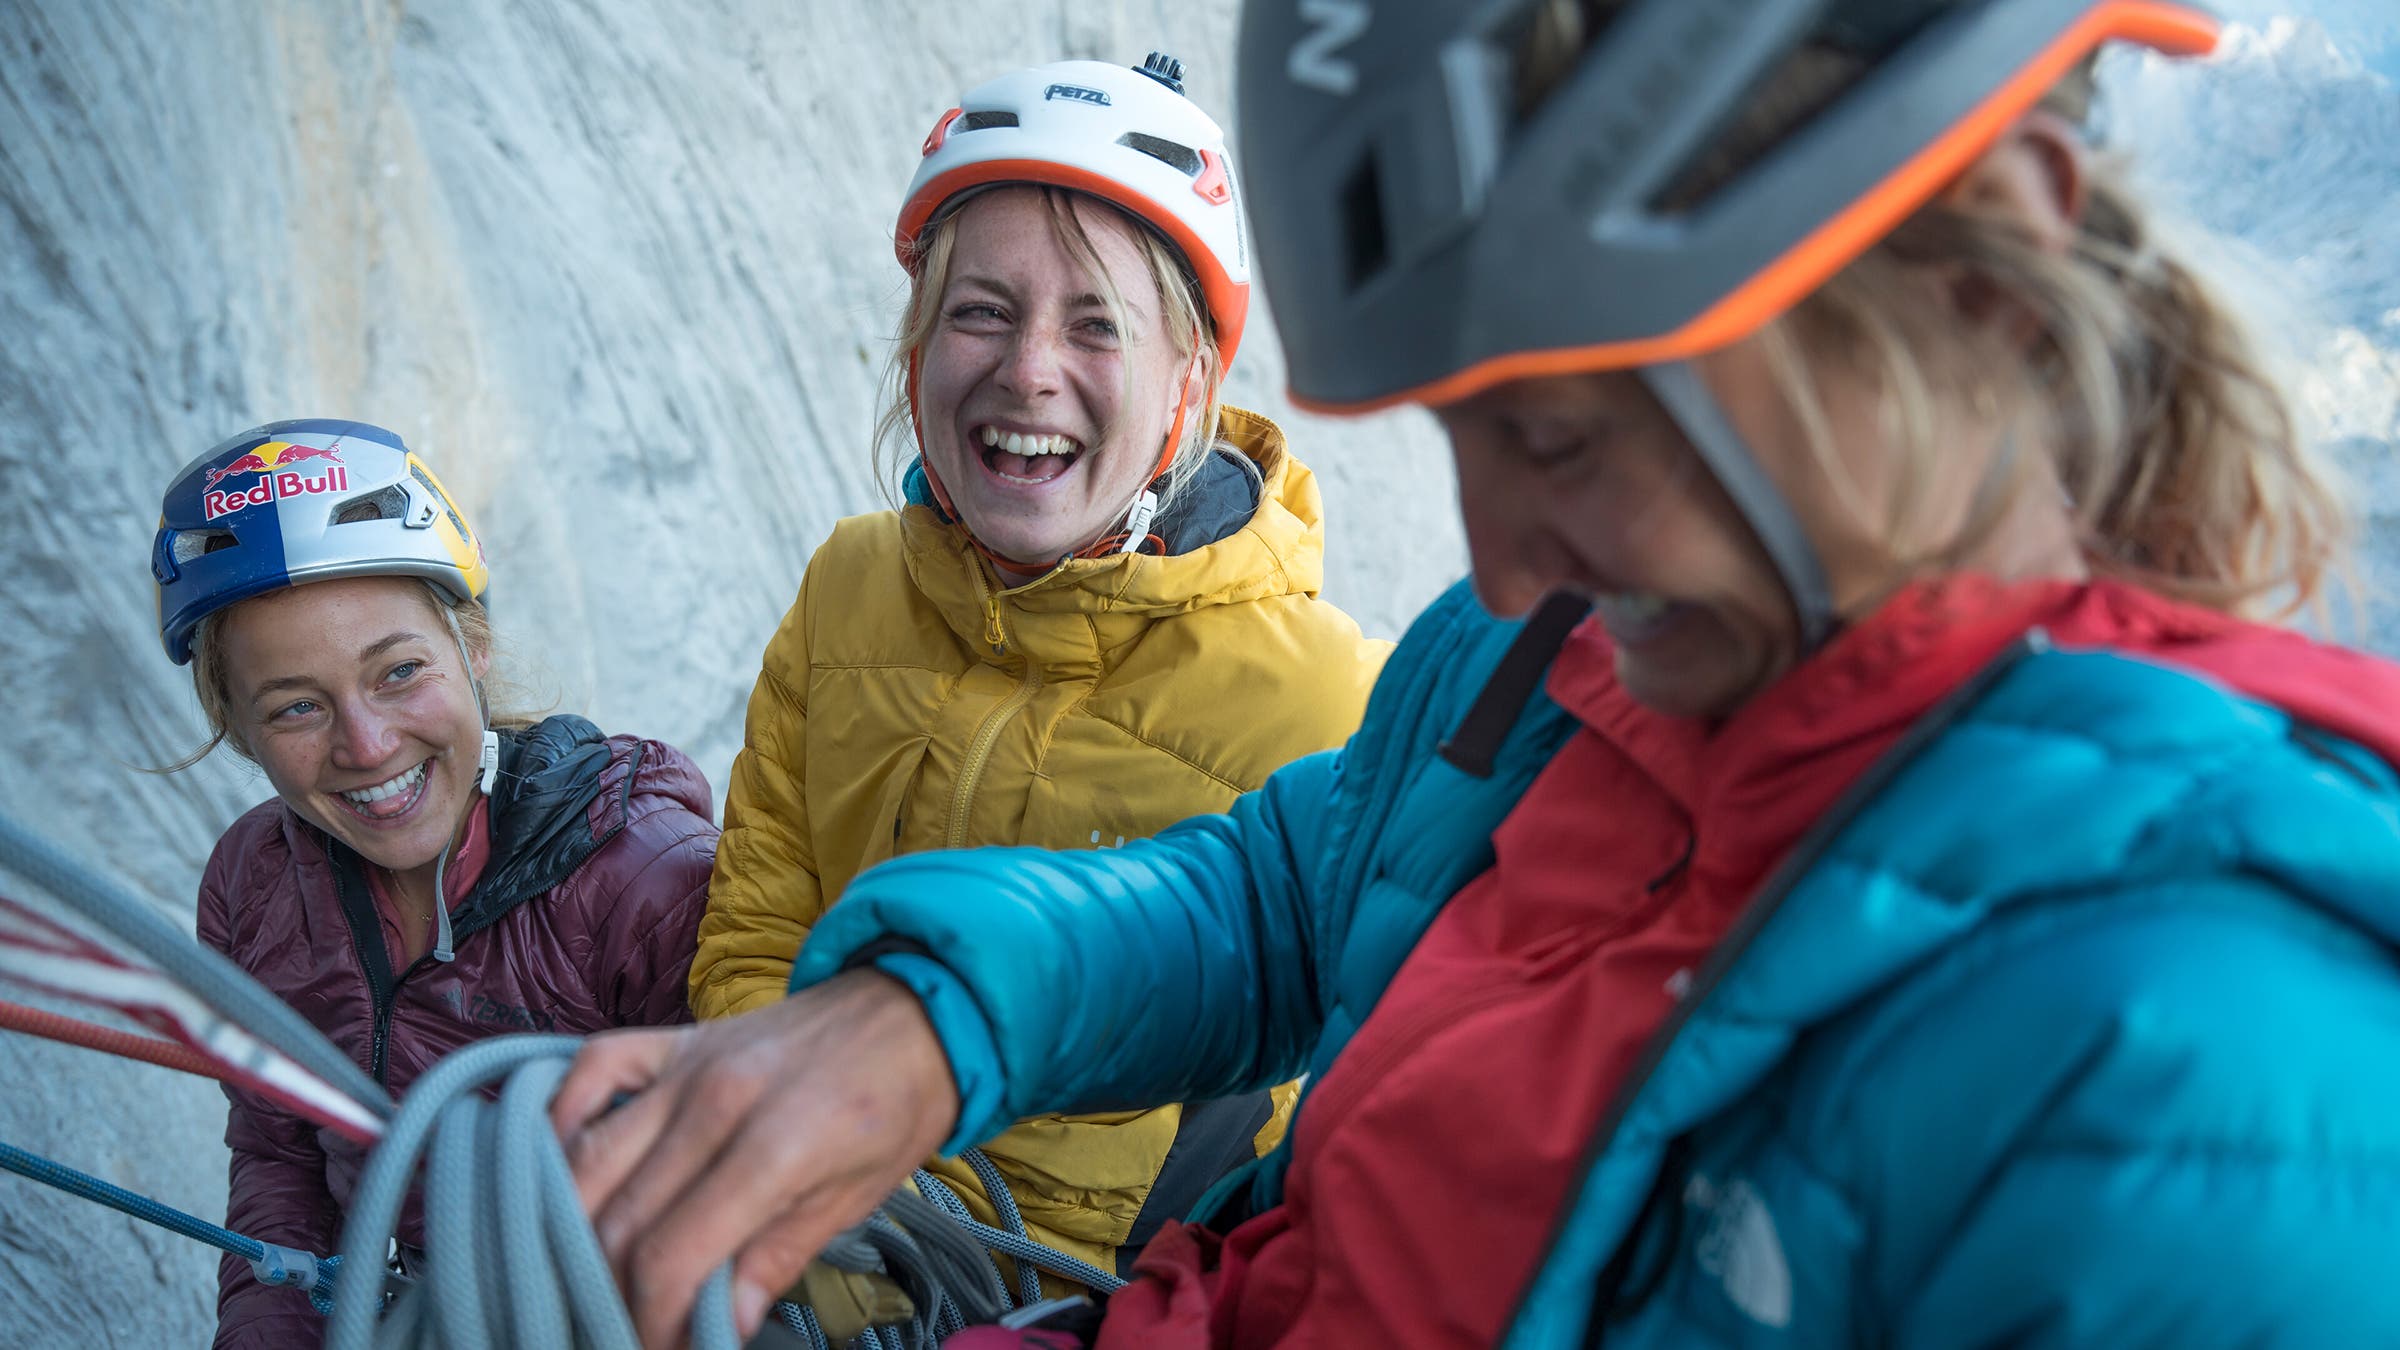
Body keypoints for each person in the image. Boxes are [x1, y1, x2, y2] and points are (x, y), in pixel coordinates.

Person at [556, 2, 2400, 1346]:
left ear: (1988, 300)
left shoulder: (2205, 1098)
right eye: (1466, 437)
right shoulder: (1565, 658)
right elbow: (1294, 897)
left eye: (1579, 437)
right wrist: (930, 1022)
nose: (1504, 562)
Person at [681, 50, 1386, 1298]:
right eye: (981, 311)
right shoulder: (848, 590)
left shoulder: (1328, 702)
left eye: (1095, 325)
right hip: (793, 1226)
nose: (1027, 371)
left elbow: (1288, 1149)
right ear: (917, 349)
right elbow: (755, 933)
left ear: (1190, 385)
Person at [155, 419, 719, 1349]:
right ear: (237, 729)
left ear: (475, 647)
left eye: (399, 672)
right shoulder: (252, 886)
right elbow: (280, 1154)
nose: (367, 746)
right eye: (296, 706)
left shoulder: (645, 880)